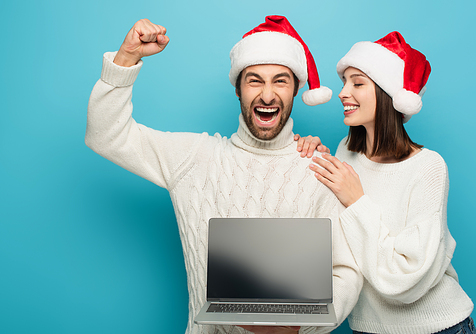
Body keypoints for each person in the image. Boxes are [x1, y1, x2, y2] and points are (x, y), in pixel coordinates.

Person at [86, 15, 362, 334]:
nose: (268, 95)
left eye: (281, 81)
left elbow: (347, 269)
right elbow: (106, 134)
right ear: (238, 89)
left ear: (297, 89)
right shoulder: (193, 157)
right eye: (255, 80)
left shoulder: (318, 168)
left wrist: (301, 327)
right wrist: (127, 58)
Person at [297, 31, 474, 333]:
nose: (343, 92)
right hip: (368, 327)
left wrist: (357, 201)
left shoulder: (429, 168)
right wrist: (305, 154)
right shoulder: (344, 153)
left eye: (357, 83)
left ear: (387, 93)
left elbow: (404, 277)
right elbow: (333, 236)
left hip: (438, 327)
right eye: (344, 82)